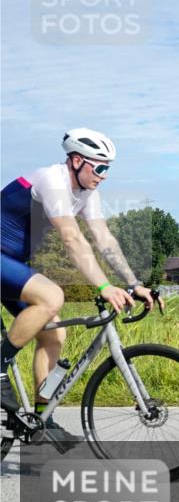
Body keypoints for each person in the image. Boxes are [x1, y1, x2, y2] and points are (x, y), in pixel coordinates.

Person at [1, 128, 162, 442]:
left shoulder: (87, 194)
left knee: (54, 335)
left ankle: (40, 420)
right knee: (51, 296)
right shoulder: (52, 180)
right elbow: (72, 238)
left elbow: (104, 240)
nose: (104, 175)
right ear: (76, 161)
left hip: (13, 264)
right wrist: (103, 287)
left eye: (108, 169)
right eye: (99, 167)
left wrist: (133, 284)